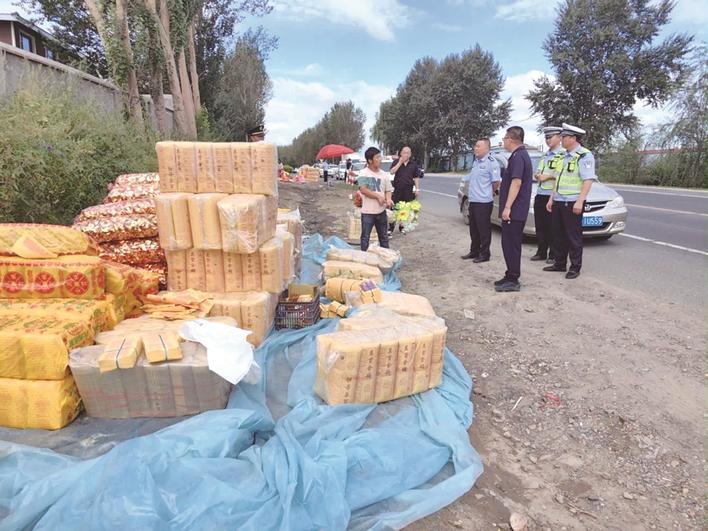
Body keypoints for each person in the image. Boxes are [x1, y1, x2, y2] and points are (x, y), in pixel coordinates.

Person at [543, 123, 596, 279]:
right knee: (558, 235)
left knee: (573, 236)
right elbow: (558, 178)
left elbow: (588, 180)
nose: (562, 140)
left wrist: (580, 201)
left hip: (573, 202)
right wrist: (552, 198)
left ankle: (574, 267)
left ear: (573, 138)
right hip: (559, 200)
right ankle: (559, 263)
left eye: (564, 137)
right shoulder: (563, 156)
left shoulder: (584, 156)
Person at [496, 126, 533, 292]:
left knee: (511, 244)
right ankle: (510, 274)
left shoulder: (519, 156)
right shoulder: (518, 155)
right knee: (508, 243)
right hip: (515, 209)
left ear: (511, 139)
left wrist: (507, 207)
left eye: (504, 138)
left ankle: (513, 279)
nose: (503, 141)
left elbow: (516, 182)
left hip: (515, 210)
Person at [460, 138, 501, 263]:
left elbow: (496, 182)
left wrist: (489, 192)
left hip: (483, 202)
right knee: (474, 229)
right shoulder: (476, 162)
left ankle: (485, 254)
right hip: (473, 200)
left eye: (478, 146)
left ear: (486, 148)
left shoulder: (491, 162)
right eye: (475, 146)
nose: (475, 148)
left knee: (484, 230)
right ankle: (474, 251)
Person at [531, 126, 565, 263]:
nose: (547, 140)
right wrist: (538, 175)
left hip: (553, 195)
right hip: (540, 193)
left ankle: (553, 254)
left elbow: (561, 174)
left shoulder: (563, 154)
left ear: (559, 137)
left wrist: (548, 176)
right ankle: (541, 251)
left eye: (550, 137)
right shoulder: (545, 155)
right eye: (546, 138)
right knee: (541, 226)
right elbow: (538, 171)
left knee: (553, 228)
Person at [357, 146, 393, 251]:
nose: (380, 159)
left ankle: (387, 259)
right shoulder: (363, 173)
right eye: (377, 157)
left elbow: (388, 190)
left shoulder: (384, 174)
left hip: (381, 212)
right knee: (365, 239)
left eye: (380, 157)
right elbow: (363, 189)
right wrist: (377, 196)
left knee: (384, 238)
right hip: (368, 213)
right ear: (370, 160)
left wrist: (389, 199)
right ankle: (364, 260)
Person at [388, 146, 422, 235]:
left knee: (405, 209)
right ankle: (390, 228)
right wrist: (400, 162)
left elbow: (416, 177)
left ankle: (402, 226)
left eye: (408, 153)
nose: (406, 154)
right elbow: (392, 172)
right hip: (397, 189)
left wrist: (417, 189)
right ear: (401, 153)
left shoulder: (413, 165)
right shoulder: (396, 162)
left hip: (408, 190)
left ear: (410, 154)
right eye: (404, 152)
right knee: (394, 209)